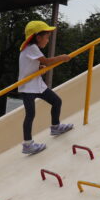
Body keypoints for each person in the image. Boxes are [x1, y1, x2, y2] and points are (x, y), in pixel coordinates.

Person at [18, 20, 73, 155]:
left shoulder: (31, 49)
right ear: (38, 37)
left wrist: (39, 67)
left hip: (36, 84)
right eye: (47, 37)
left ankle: (55, 126)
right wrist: (62, 58)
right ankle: (28, 144)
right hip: (28, 87)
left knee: (56, 101)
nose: (48, 40)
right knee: (30, 114)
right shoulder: (32, 48)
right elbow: (47, 62)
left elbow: (36, 64)